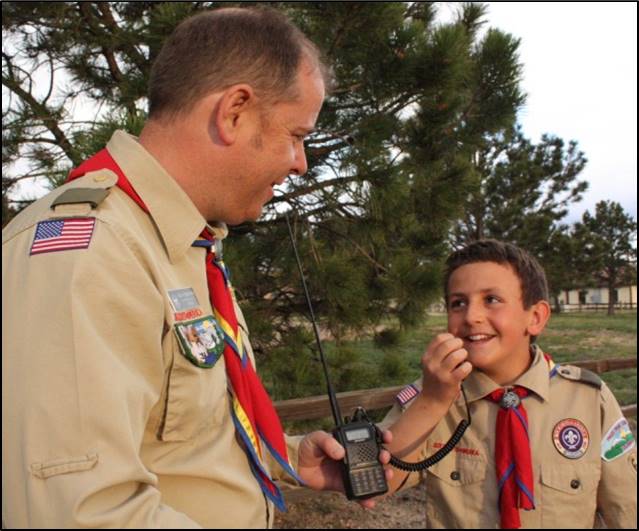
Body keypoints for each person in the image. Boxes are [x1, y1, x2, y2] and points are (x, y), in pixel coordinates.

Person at [2, 7, 390, 528]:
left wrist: (281, 457)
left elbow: (174, 438)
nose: (302, 163)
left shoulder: (183, 244)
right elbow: (80, 512)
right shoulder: (91, 252)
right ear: (234, 112)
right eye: (296, 135)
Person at [381, 239, 637, 528]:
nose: (471, 316)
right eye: (458, 303)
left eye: (491, 299)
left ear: (536, 317)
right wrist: (431, 402)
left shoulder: (590, 400)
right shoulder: (435, 395)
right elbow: (379, 482)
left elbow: (627, 509)